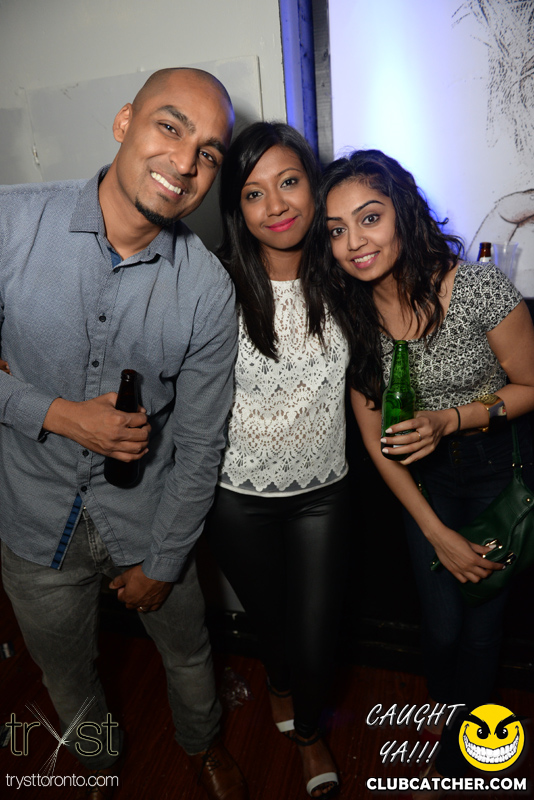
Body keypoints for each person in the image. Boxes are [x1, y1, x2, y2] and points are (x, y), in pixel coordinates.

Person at [0, 68, 248, 800]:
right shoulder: (12, 225)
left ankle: (202, 745)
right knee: (66, 673)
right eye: (170, 127)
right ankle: (101, 764)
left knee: (189, 653)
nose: (185, 162)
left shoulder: (207, 290)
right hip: (33, 521)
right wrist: (57, 413)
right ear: (123, 122)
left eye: (208, 152)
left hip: (150, 520)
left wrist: (165, 561)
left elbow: (201, 442)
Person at [315, 149, 534, 792]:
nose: (354, 242)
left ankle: (469, 747)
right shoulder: (351, 315)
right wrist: (436, 532)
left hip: (496, 471)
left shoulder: (478, 290)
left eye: (370, 218)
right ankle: (449, 715)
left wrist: (449, 420)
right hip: (422, 484)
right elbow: (375, 440)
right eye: (336, 229)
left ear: (404, 213)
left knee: (483, 630)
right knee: (440, 630)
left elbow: (530, 385)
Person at [205, 122, 350, 800]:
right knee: (272, 626)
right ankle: (280, 682)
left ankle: (310, 730)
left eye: (288, 182)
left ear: (313, 187)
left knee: (317, 638)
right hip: (238, 495)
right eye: (254, 192)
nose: (276, 205)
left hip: (325, 491)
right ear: (237, 207)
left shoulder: (345, 273)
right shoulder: (215, 285)